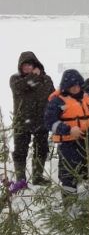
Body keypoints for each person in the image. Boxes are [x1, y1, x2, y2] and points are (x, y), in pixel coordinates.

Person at [45, 69, 89, 202]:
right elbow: (49, 122)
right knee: (69, 176)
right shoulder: (57, 101)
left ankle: (86, 207)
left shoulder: (88, 97)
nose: (75, 88)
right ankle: (70, 207)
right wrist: (68, 130)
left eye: (78, 85)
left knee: (87, 174)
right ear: (66, 87)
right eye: (72, 86)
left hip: (87, 143)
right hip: (67, 145)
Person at [9, 51, 54, 184]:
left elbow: (53, 98)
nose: (27, 67)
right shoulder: (15, 79)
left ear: (36, 65)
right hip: (22, 122)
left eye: (30, 65)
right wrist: (34, 76)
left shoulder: (46, 79)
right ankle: (20, 180)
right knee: (20, 152)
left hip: (41, 121)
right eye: (24, 65)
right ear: (20, 67)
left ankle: (37, 177)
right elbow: (21, 88)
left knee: (42, 149)